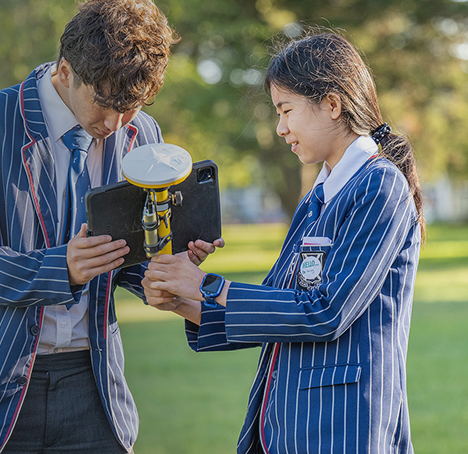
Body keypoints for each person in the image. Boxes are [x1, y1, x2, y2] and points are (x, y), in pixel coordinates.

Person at [0, 0, 221, 454]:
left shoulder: (142, 133)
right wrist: (61, 269)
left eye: (132, 107)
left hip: (92, 388)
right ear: (65, 69)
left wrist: (164, 267)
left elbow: (128, 253)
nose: (117, 124)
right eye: (106, 103)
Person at [143, 31, 422, 453]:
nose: (280, 127)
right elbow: (279, 303)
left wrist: (207, 287)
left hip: (344, 427)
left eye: (286, 110)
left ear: (332, 104)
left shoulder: (378, 185)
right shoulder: (318, 196)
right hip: (287, 423)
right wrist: (181, 298)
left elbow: (326, 311)